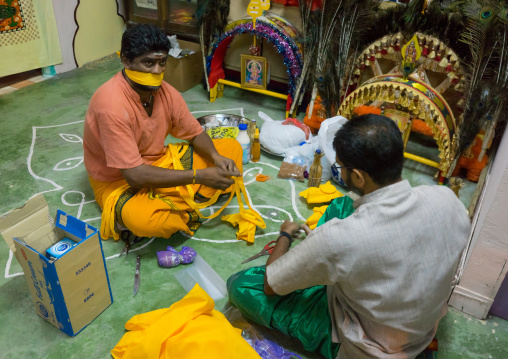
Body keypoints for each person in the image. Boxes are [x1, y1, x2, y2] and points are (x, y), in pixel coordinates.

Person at [227, 114, 470, 359]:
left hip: (369, 345)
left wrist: (285, 235)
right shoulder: (447, 199)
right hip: (418, 327)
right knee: (342, 204)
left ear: (358, 176)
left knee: (241, 285)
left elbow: (271, 285)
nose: (339, 173)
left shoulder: (338, 239)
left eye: (340, 168)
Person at [83, 24, 242, 241]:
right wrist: (199, 176)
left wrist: (215, 157)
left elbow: (195, 133)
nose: (157, 71)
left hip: (159, 161)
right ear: (126, 61)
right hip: (119, 180)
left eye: (162, 62)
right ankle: (173, 200)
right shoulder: (110, 105)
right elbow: (135, 176)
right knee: (148, 222)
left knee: (230, 149)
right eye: (148, 63)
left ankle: (173, 197)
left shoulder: (165, 92)